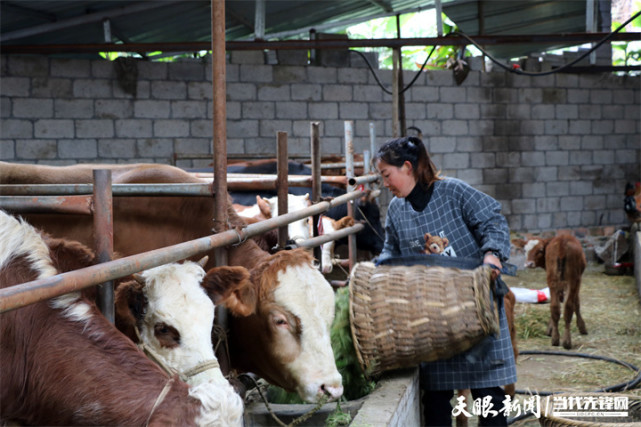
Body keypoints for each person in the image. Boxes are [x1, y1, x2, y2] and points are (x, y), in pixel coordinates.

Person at [374, 136, 516, 427]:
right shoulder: (397, 210)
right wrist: (377, 270)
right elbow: (390, 249)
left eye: (387, 175)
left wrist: (492, 255)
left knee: (488, 396)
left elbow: (492, 219)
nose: (385, 183)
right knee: (436, 402)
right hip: (433, 321)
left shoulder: (453, 192)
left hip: (476, 309)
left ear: (407, 167)